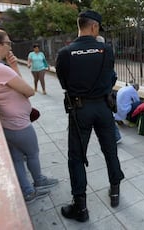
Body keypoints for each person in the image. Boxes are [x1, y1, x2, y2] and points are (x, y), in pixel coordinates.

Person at [0, 26, 58, 204]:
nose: (10, 47)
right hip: (19, 124)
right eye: (7, 43)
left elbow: (17, 86)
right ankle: (39, 182)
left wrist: (13, 65)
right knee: (32, 153)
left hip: (7, 122)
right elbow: (28, 91)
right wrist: (11, 68)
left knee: (17, 158)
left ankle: (27, 192)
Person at [55, 10, 124, 222]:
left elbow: (64, 84)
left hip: (80, 110)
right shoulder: (106, 50)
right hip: (104, 108)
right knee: (110, 151)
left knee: (76, 158)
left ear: (80, 25)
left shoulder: (65, 53)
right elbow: (111, 77)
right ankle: (114, 192)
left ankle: (81, 208)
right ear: (94, 27)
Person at [96, 35, 122, 143]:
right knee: (106, 115)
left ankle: (116, 136)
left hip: (102, 92)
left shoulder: (102, 55)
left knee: (107, 116)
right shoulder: (105, 53)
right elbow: (114, 75)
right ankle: (114, 136)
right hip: (104, 90)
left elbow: (112, 74)